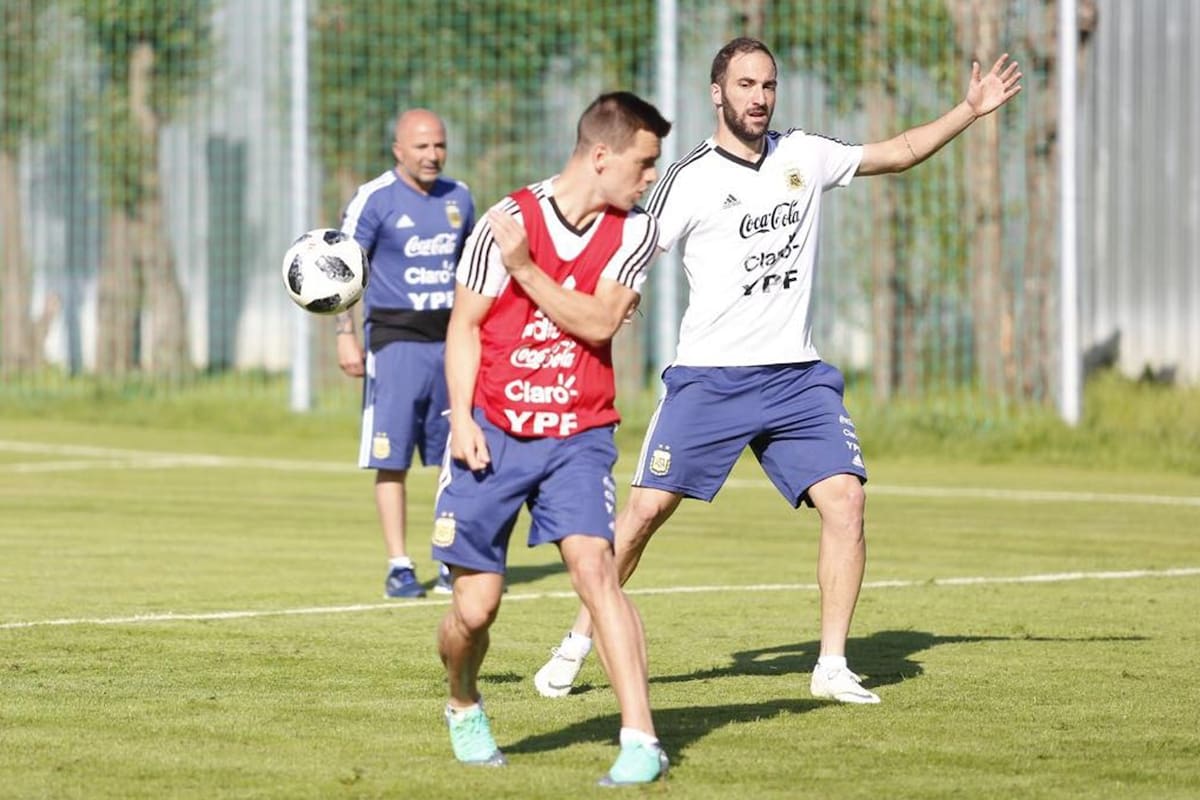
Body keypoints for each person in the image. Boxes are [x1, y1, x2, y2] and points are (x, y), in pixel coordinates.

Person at [534, 37, 1023, 704]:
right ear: (718, 94)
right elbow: (635, 242)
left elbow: (898, 151)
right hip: (710, 378)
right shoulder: (690, 177)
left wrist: (968, 110)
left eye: (767, 85)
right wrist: (623, 291)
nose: (759, 98)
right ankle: (578, 641)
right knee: (644, 513)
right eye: (745, 85)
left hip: (796, 377)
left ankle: (830, 666)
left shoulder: (804, 154)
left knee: (846, 501)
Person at [433, 91, 672, 785]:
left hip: (580, 432)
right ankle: (462, 700)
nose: (651, 177)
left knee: (597, 571)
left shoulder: (635, 232)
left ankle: (640, 741)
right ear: (602, 155)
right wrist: (461, 417)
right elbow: (465, 327)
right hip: (495, 433)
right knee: (474, 611)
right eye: (645, 162)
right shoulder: (503, 222)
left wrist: (527, 270)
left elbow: (597, 325)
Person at [336, 109, 475, 599]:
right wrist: (343, 333)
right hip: (394, 342)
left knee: (453, 457)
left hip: (451, 343)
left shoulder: (460, 198)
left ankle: (447, 558)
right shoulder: (374, 199)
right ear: (399, 150)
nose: (432, 155)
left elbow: (472, 274)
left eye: (438, 145)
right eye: (420, 147)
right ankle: (399, 564)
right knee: (390, 458)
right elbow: (342, 269)